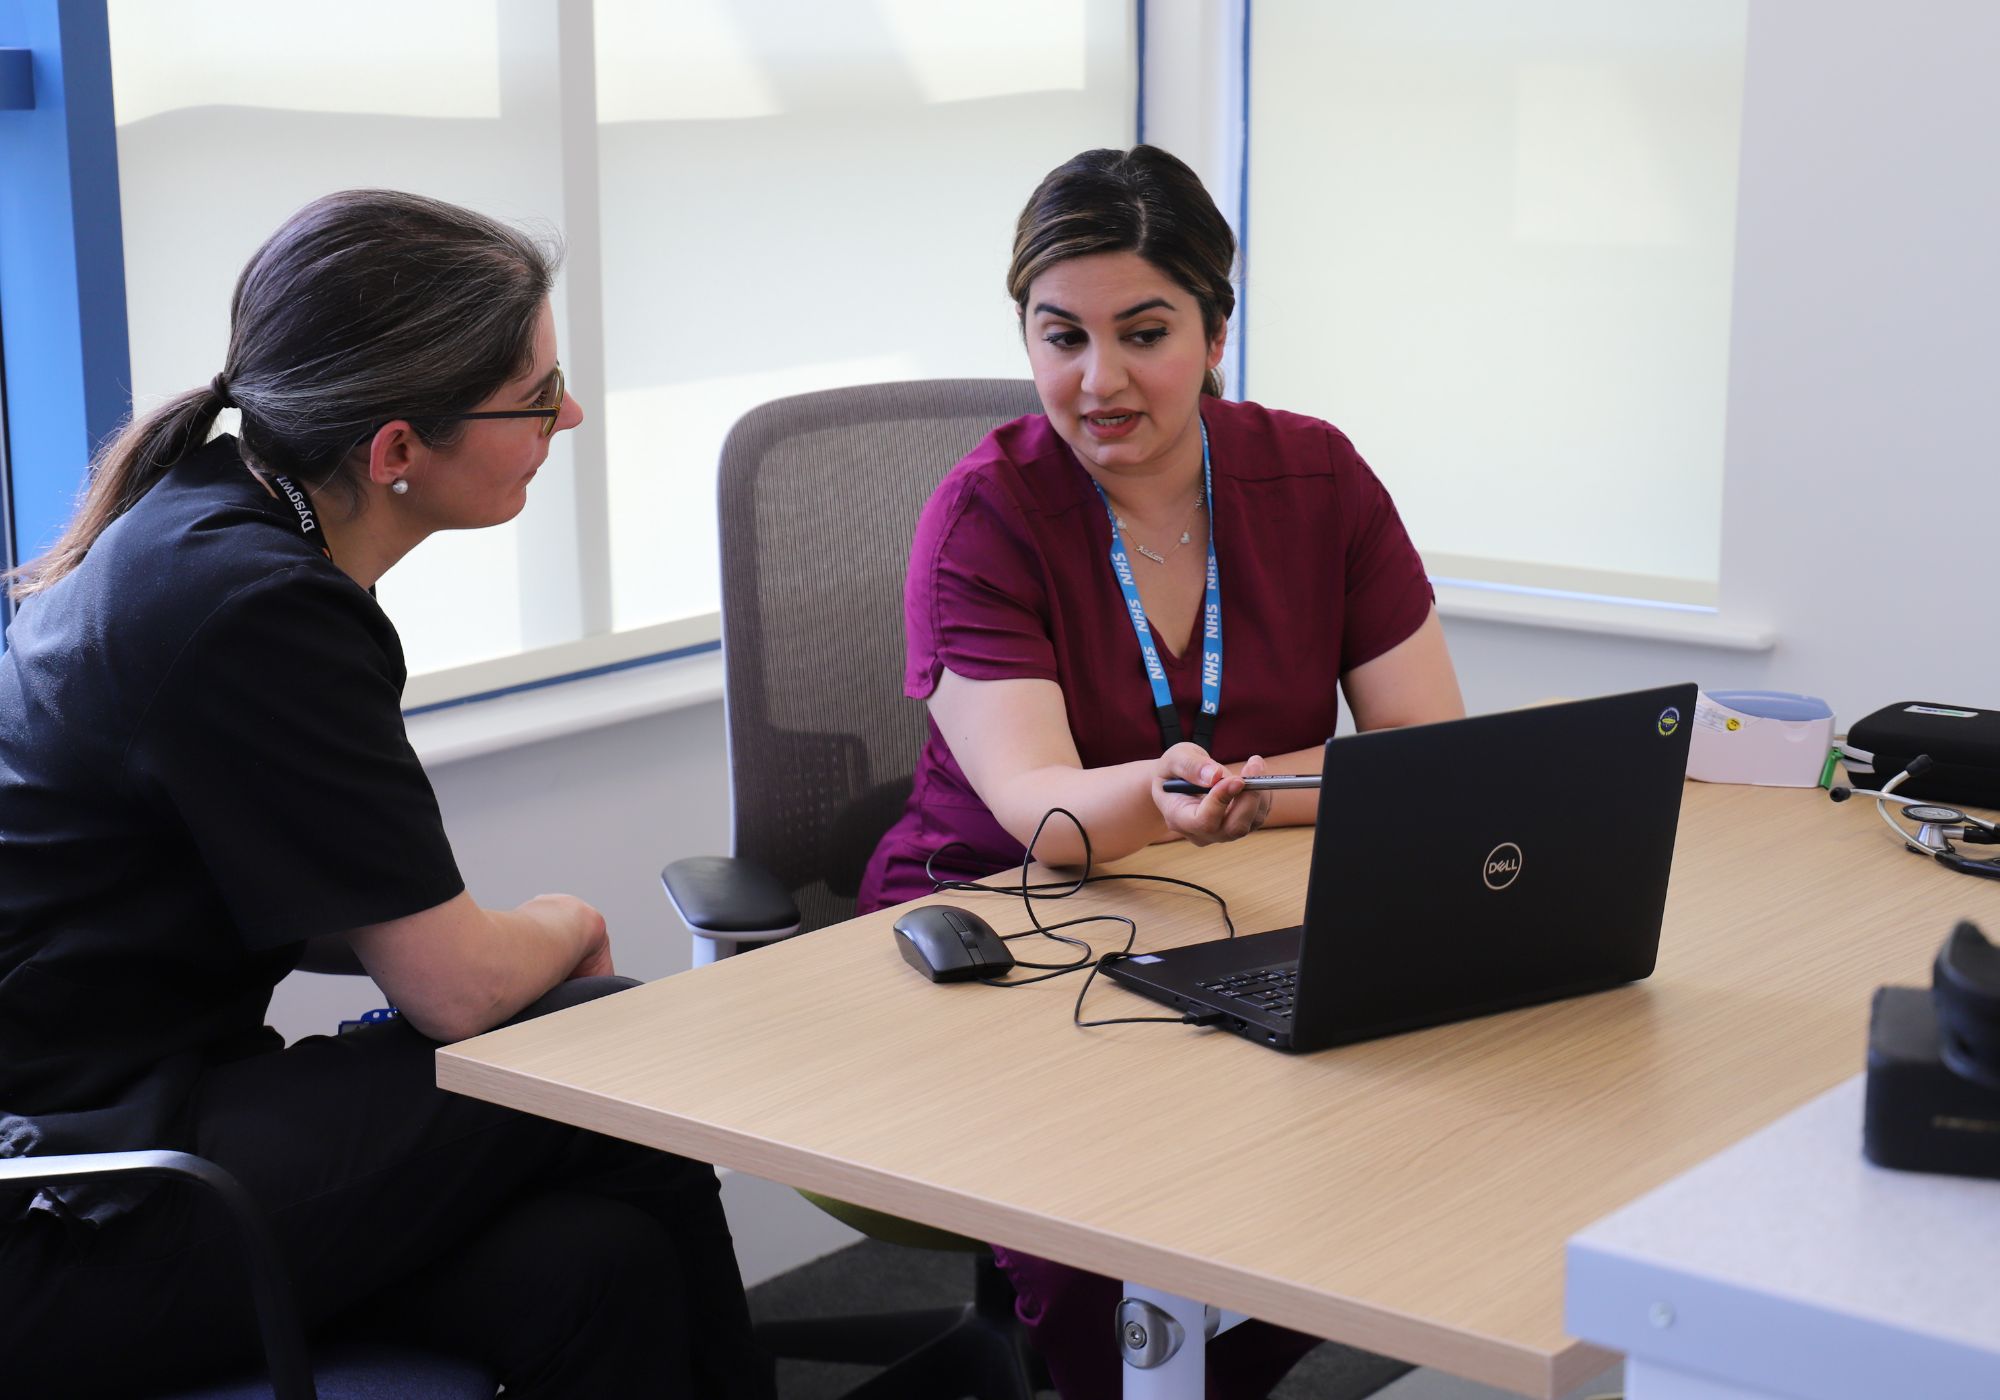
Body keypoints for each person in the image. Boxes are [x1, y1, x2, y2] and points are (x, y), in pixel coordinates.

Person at [0, 191, 769, 1398]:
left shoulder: (213, 523)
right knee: (610, 1039)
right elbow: (456, 988)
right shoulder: (256, 606)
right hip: (73, 1204)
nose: (566, 415)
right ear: (397, 450)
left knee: (594, 1264)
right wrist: (560, 924)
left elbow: (277, 895)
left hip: (122, 1135)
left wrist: (469, 949)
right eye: (534, 400)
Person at [858, 147, 1468, 1397]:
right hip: (998, 917)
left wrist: (1240, 797)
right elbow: (1041, 812)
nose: (1099, 379)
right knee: (1118, 1243)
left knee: (1411, 1148)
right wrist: (1172, 794)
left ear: (1215, 331)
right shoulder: (982, 515)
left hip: (1243, 901)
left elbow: (1426, 759)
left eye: (1144, 332)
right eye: (1060, 335)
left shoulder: (1316, 477)